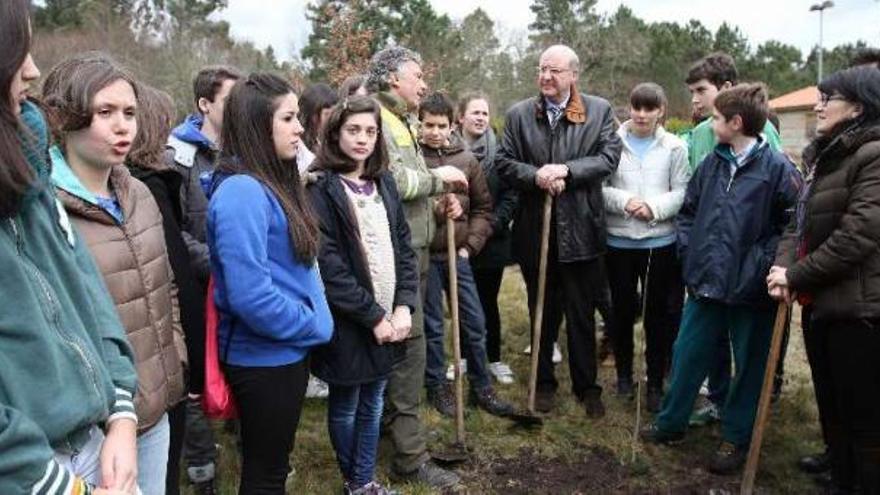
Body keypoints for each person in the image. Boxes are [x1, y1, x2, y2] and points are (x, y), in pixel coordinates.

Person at [0, 2, 138, 492]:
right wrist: (51, 483)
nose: (32, 69)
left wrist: (122, 409)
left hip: (97, 436)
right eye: (18, 51)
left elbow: (85, 292)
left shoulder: (28, 177)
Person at [43, 53, 187, 495]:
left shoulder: (139, 192)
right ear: (66, 116)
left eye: (129, 113)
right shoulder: (44, 208)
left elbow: (167, 286)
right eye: (105, 112)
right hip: (90, 429)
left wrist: (175, 356)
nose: (123, 126)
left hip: (155, 407)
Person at [641, 83, 800, 475]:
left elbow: (792, 226)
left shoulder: (778, 170)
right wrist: (688, 253)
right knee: (688, 352)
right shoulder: (712, 163)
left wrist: (763, 265)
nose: (710, 123)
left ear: (736, 122)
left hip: (751, 289)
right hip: (706, 282)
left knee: (748, 365)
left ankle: (735, 436)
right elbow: (689, 213)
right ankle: (670, 423)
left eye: (715, 118)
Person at [206, 72, 333, 494]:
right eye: (289, 118)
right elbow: (250, 295)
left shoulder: (270, 182)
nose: (300, 127)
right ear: (259, 124)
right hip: (263, 359)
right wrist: (312, 324)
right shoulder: (241, 192)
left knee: (274, 466)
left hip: (284, 352)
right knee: (265, 473)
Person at [768, 65, 880, 493]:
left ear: (856, 107)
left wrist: (796, 273)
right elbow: (797, 223)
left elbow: (859, 235)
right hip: (822, 302)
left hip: (862, 311)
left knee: (864, 416)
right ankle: (840, 472)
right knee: (832, 403)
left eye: (826, 98)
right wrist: (783, 271)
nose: (818, 105)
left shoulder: (873, 155)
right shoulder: (826, 155)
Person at [496, 44, 622, 417]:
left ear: (573, 75)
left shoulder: (598, 111)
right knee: (543, 311)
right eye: (541, 70)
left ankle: (587, 387)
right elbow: (504, 162)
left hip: (581, 231)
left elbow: (608, 158)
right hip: (536, 232)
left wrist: (567, 170)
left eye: (554, 71)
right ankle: (544, 382)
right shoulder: (520, 115)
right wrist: (535, 175)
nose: (546, 77)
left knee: (581, 313)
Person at [366, 46, 466, 489]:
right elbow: (390, 181)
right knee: (407, 353)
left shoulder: (400, 119)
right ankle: (407, 457)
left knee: (408, 349)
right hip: (393, 258)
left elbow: (408, 185)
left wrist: (434, 203)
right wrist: (434, 181)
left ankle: (393, 438)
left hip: (415, 249)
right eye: (417, 75)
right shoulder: (376, 120)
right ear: (392, 79)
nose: (423, 84)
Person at [308, 95, 417, 495]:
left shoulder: (383, 181)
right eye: (353, 130)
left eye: (370, 131)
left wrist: (404, 305)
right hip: (351, 319)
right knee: (348, 404)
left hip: (390, 315)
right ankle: (355, 480)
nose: (362, 139)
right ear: (335, 133)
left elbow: (403, 246)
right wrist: (373, 317)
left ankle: (362, 479)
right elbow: (330, 264)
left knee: (374, 401)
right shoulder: (322, 187)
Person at [683, 52, 785, 427]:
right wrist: (690, 249)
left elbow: (777, 202)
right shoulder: (699, 135)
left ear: (726, 90)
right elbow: (692, 197)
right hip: (707, 258)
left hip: (745, 263)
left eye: (701, 91)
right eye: (691, 92)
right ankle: (716, 394)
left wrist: (762, 259)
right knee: (705, 339)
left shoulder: (764, 137)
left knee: (746, 341)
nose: (694, 100)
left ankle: (750, 405)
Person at [125, 84, 207, 495]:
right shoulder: (150, 189)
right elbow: (177, 278)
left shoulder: (152, 185)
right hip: (153, 366)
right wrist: (191, 357)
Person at [418, 92, 516, 418]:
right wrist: (433, 207)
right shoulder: (413, 160)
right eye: (428, 125)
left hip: (457, 255)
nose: (434, 131)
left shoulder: (467, 160)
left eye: (441, 125)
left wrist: (468, 246)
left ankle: (481, 385)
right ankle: (437, 386)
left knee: (474, 321)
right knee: (432, 325)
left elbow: (484, 209)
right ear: (419, 124)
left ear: (451, 126)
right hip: (427, 257)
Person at [165, 65, 239, 494]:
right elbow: (175, 229)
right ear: (204, 105)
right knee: (197, 374)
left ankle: (252, 445)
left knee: (243, 363)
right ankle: (201, 466)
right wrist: (213, 263)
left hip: (240, 280)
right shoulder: (178, 155)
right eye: (229, 101)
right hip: (199, 281)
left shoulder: (245, 149)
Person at [602, 82, 690, 412]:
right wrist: (626, 202)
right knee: (622, 311)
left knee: (658, 315)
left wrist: (653, 207)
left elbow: (683, 190)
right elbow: (600, 187)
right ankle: (624, 375)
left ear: (660, 111)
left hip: (659, 243)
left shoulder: (675, 147)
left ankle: (655, 380)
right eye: (636, 107)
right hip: (619, 241)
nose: (641, 114)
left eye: (648, 108)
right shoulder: (612, 144)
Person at [457, 92, 519, 385]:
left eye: (484, 113)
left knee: (488, 301)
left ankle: (492, 358)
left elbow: (511, 194)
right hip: (456, 239)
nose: (481, 118)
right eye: (475, 112)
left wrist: (492, 224)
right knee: (461, 303)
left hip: (492, 239)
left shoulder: (501, 153)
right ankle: (465, 357)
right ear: (460, 117)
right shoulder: (448, 151)